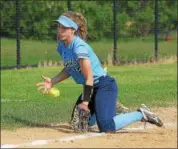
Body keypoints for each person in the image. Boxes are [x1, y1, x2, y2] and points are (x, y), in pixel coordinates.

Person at [36, 11, 163, 133]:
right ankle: (109, 106)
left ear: (72, 30)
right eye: (59, 26)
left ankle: (140, 113)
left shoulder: (79, 47)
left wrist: (85, 103)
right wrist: (53, 81)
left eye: (64, 27)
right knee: (79, 124)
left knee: (106, 126)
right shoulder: (62, 46)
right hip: (91, 88)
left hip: (104, 85)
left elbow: (89, 78)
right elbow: (70, 68)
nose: (60, 30)